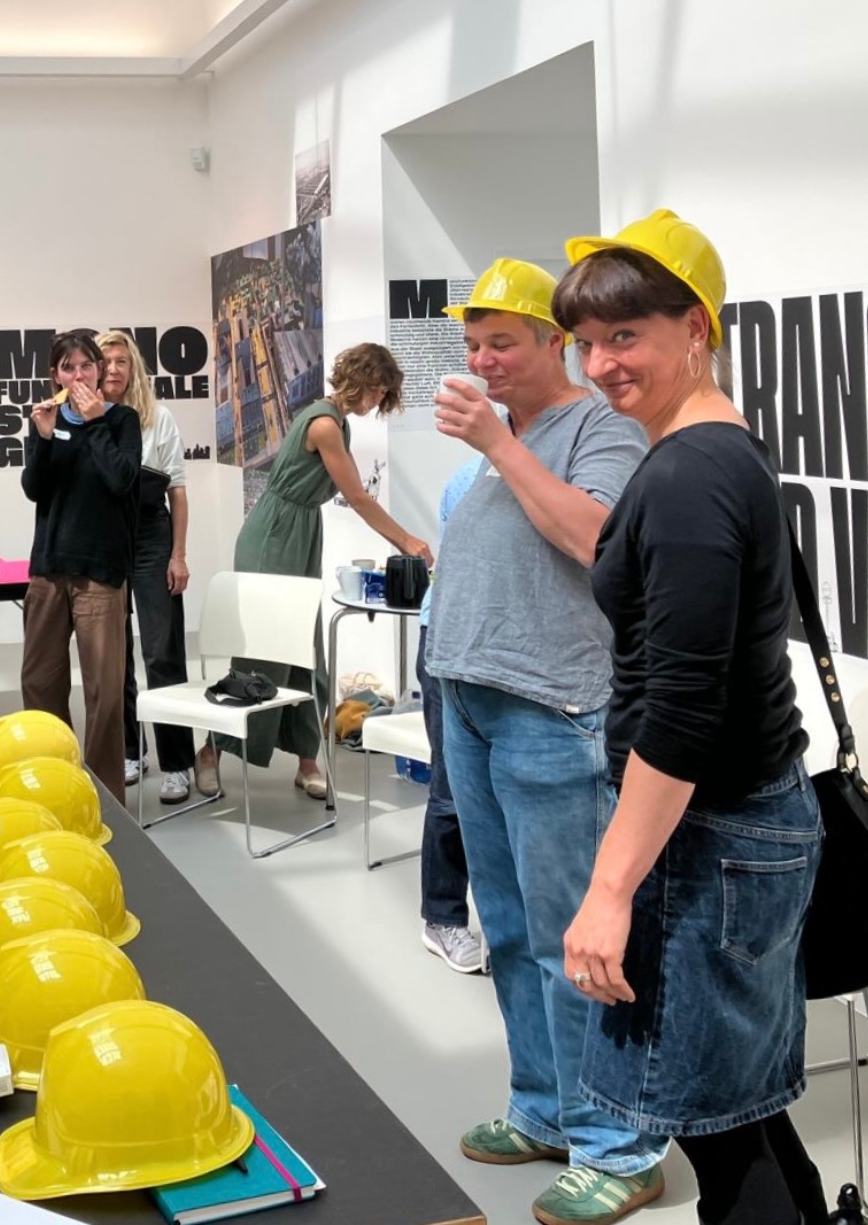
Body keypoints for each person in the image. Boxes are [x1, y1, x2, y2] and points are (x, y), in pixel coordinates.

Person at [554, 211, 828, 1225]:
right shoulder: (719, 451)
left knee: (717, 1127)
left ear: (695, 328)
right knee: (738, 1111)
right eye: (586, 342)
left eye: (624, 335)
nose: (599, 365)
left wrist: (609, 888)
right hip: (738, 822)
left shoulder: (686, 474)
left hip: (707, 837)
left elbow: (681, 706)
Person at [426, 257, 664, 1224]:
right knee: (511, 928)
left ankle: (619, 1144)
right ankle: (545, 1108)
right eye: (473, 344)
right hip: (473, 702)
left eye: (502, 343)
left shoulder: (600, 429)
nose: (483, 360)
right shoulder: (511, 435)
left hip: (554, 710)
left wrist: (496, 442)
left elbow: (597, 540)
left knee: (578, 939)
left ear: (553, 343)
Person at [195, 342, 428, 800]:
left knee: (306, 650)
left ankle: (306, 760)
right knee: (262, 652)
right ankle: (210, 751)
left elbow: (354, 492)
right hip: (275, 533)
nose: (379, 399)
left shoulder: (336, 421)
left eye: (384, 392)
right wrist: (407, 541)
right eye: (378, 389)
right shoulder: (324, 424)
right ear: (360, 380)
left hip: (300, 530)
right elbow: (357, 497)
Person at [21, 329, 141, 807]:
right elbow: (34, 489)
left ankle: (105, 801)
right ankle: (54, 785)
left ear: (99, 369)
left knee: (105, 693)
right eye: (68, 368)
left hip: (101, 573)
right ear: (56, 375)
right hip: (49, 568)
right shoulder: (45, 419)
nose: (79, 376)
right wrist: (44, 438)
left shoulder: (122, 420)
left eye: (86, 366)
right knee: (39, 682)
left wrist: (94, 424)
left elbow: (121, 479)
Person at [98, 329, 197, 806]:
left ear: (133, 367)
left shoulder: (158, 417)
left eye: (122, 361)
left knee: (162, 653)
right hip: (106, 541)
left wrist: (178, 554)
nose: (114, 369)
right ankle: (129, 752)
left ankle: (177, 764)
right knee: (113, 656)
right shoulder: (88, 418)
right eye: (105, 361)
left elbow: (177, 490)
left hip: (153, 538)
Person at [416, 457, 485, 975]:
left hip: (495, 648)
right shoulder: (470, 479)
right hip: (452, 640)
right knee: (452, 790)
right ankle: (441, 918)